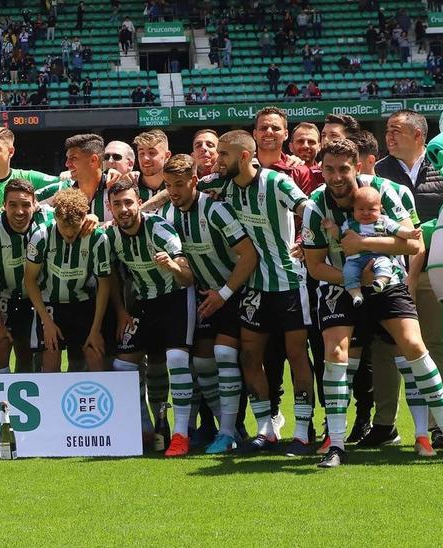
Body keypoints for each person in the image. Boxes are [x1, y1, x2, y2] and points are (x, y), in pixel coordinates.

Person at [302, 139, 443, 467]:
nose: (336, 176)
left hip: (388, 281)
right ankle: (336, 444)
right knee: (336, 352)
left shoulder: (385, 192)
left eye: (343, 169)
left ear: (357, 167)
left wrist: (364, 242)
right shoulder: (315, 207)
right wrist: (358, 280)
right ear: (320, 169)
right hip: (343, 285)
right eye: (329, 169)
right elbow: (315, 266)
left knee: (413, 344)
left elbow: (412, 245)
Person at [204, 130, 316, 456]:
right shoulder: (222, 184)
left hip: (290, 285)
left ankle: (304, 431)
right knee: (250, 358)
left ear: (242, 156)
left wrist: (307, 241)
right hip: (254, 288)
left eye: (223, 154)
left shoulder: (276, 183)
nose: (217, 160)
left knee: (297, 356)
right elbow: (179, 190)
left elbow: (309, 208)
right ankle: (266, 430)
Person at [159, 154, 259, 454]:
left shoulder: (216, 210)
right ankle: (228, 429)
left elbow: (249, 255)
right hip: (204, 296)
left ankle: (228, 432)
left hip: (233, 293)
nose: (174, 191)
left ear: (193, 181)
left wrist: (225, 293)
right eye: (168, 185)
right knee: (202, 362)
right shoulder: (169, 216)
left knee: (225, 353)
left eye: (179, 184)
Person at [372, 109, 443, 446]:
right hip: (389, 275)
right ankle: (385, 423)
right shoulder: (377, 173)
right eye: (387, 130)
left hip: (435, 272)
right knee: (384, 348)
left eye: (396, 130)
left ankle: (438, 425)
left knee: (435, 347)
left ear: (418, 135)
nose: (389, 136)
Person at [104, 179, 194, 455]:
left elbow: (188, 276)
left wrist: (172, 265)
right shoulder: (110, 236)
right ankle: (144, 429)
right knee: (122, 365)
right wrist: (121, 312)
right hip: (143, 304)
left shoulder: (159, 229)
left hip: (176, 298)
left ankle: (180, 434)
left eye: (129, 202)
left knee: (177, 359)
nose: (124, 209)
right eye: (117, 204)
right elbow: (110, 277)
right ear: (110, 207)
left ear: (139, 202)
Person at [25, 187, 112, 373]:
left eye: (76, 226)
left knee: (94, 353)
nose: (71, 232)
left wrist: (96, 329)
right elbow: (30, 280)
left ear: (84, 217)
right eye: (65, 226)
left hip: (83, 302)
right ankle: (49, 401)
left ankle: (97, 400)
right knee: (51, 353)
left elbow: (104, 285)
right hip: (50, 303)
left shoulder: (97, 239)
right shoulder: (42, 235)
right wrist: (46, 322)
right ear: (55, 217)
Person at [0, 179, 53, 374]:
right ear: (3, 205)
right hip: (6, 297)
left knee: (37, 354)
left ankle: (40, 399)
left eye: (26, 204)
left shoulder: (49, 221)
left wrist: (92, 218)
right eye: (13, 205)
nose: (19, 211)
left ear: (35, 204)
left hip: (41, 299)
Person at [323, 186, 420, 306]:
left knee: (385, 264)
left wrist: (410, 233)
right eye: (361, 209)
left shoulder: (384, 221)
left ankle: (381, 281)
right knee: (348, 271)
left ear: (380, 209)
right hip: (355, 259)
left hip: (378, 256)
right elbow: (340, 236)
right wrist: (331, 227)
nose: (366, 213)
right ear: (353, 209)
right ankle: (356, 294)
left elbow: (398, 230)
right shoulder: (349, 224)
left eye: (371, 209)